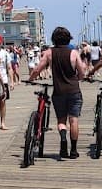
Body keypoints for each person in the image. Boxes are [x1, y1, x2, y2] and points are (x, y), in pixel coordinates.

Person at [29, 26, 89, 159]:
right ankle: (73, 150)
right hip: (74, 90)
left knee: (61, 120)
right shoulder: (73, 53)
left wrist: (30, 79)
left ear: (54, 39)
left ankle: (63, 139)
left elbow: (37, 69)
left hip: (58, 92)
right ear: (68, 39)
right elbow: (82, 73)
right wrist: (78, 78)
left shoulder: (49, 53)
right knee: (73, 119)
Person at [0, 35, 13, 126]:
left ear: (1, 43)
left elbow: (9, 68)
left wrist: (11, 81)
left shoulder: (5, 54)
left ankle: (3, 122)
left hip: (4, 80)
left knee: (3, 103)